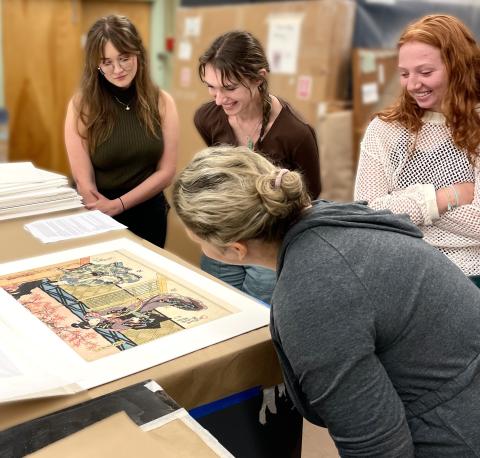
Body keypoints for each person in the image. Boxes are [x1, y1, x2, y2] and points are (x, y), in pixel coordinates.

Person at [172, 145, 480, 457]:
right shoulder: (333, 222)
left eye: (197, 241)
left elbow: (377, 446)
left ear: (236, 250)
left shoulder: (312, 293)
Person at [193, 30, 321, 304]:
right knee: (216, 306)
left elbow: (309, 198)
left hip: (268, 247)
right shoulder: (207, 118)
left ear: (259, 77)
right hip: (224, 240)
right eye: (211, 87)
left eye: (229, 88)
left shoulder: (296, 134)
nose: (218, 99)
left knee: (258, 318)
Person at [354, 14, 480, 285]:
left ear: (458, 67)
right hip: (398, 270)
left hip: (469, 277)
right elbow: (366, 214)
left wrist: (396, 205)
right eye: (404, 74)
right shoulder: (385, 129)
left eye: (425, 72)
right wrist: (444, 197)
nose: (412, 85)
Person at [65, 14, 179, 248]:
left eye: (124, 58)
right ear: (96, 65)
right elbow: (83, 179)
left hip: (149, 214)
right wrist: (103, 209)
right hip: (98, 213)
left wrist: (119, 204)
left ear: (138, 53)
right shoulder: (82, 106)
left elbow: (166, 172)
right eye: (107, 62)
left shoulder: (162, 102)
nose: (118, 69)